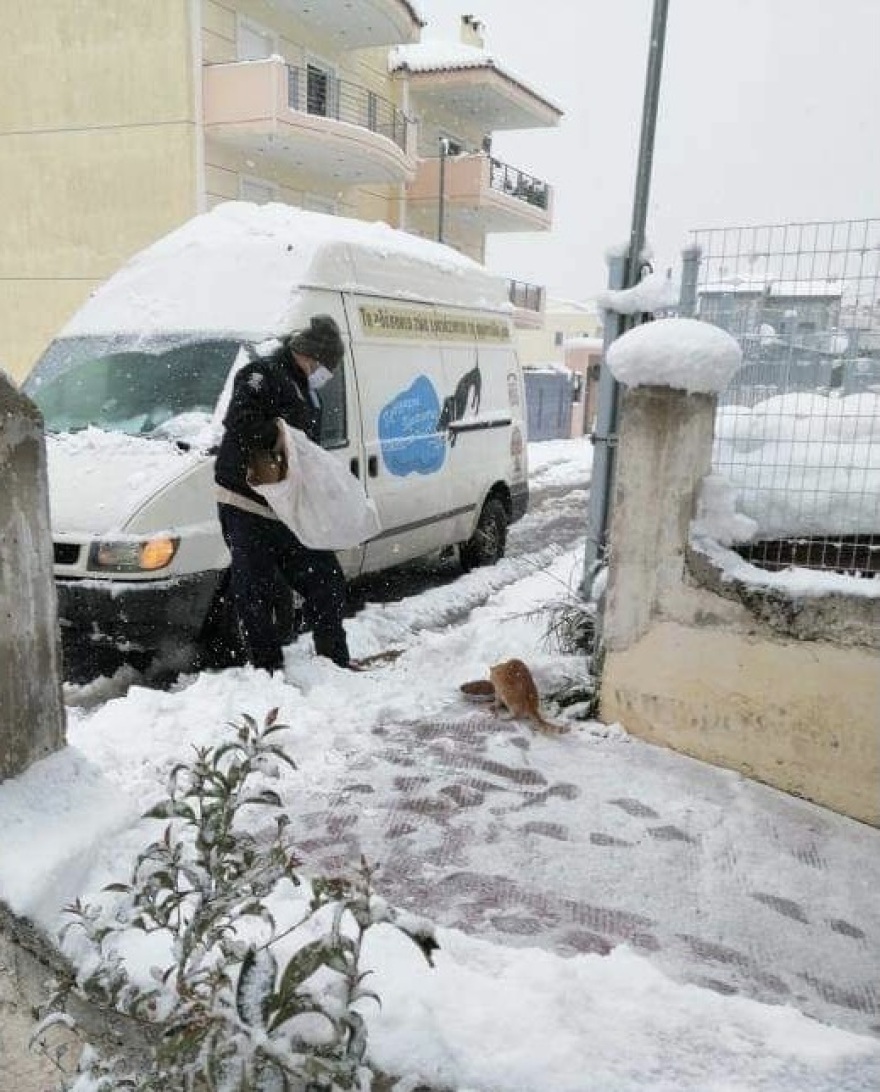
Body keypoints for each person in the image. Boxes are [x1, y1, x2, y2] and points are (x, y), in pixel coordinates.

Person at [213, 314, 354, 672]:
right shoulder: (262, 375)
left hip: (286, 505)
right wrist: (277, 434)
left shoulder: (304, 386)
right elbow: (240, 422)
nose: (327, 373)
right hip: (247, 501)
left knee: (326, 579)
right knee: (254, 588)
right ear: (311, 355)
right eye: (327, 364)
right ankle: (267, 669)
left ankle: (333, 662)